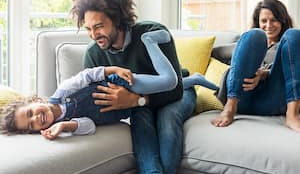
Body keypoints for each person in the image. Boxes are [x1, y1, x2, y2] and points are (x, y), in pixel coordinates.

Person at [69, 0, 198, 174]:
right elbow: (97, 97)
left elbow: (176, 88)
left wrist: (137, 100)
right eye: (88, 29)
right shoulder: (93, 54)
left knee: (168, 121)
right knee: (141, 123)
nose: (94, 36)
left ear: (117, 19)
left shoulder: (153, 32)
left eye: (99, 26)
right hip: (137, 104)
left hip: (179, 92)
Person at [0, 30, 214, 139]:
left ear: (36, 100)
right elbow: (90, 126)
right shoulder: (67, 120)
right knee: (164, 84)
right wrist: (65, 126)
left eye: (30, 113)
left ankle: (150, 41)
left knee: (168, 81)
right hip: (127, 105)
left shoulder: (62, 91)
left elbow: (88, 75)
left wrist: (113, 70)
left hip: (120, 82)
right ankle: (193, 79)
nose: (36, 118)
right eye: (31, 125)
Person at [211, 0, 300, 132]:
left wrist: (265, 73)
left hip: (273, 98)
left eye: (274, 20)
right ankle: (230, 107)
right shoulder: (251, 43)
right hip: (243, 96)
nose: (268, 25)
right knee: (255, 34)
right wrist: (246, 66)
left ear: (283, 21)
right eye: (264, 21)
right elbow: (215, 52)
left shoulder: (290, 46)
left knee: (294, 34)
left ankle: (292, 115)